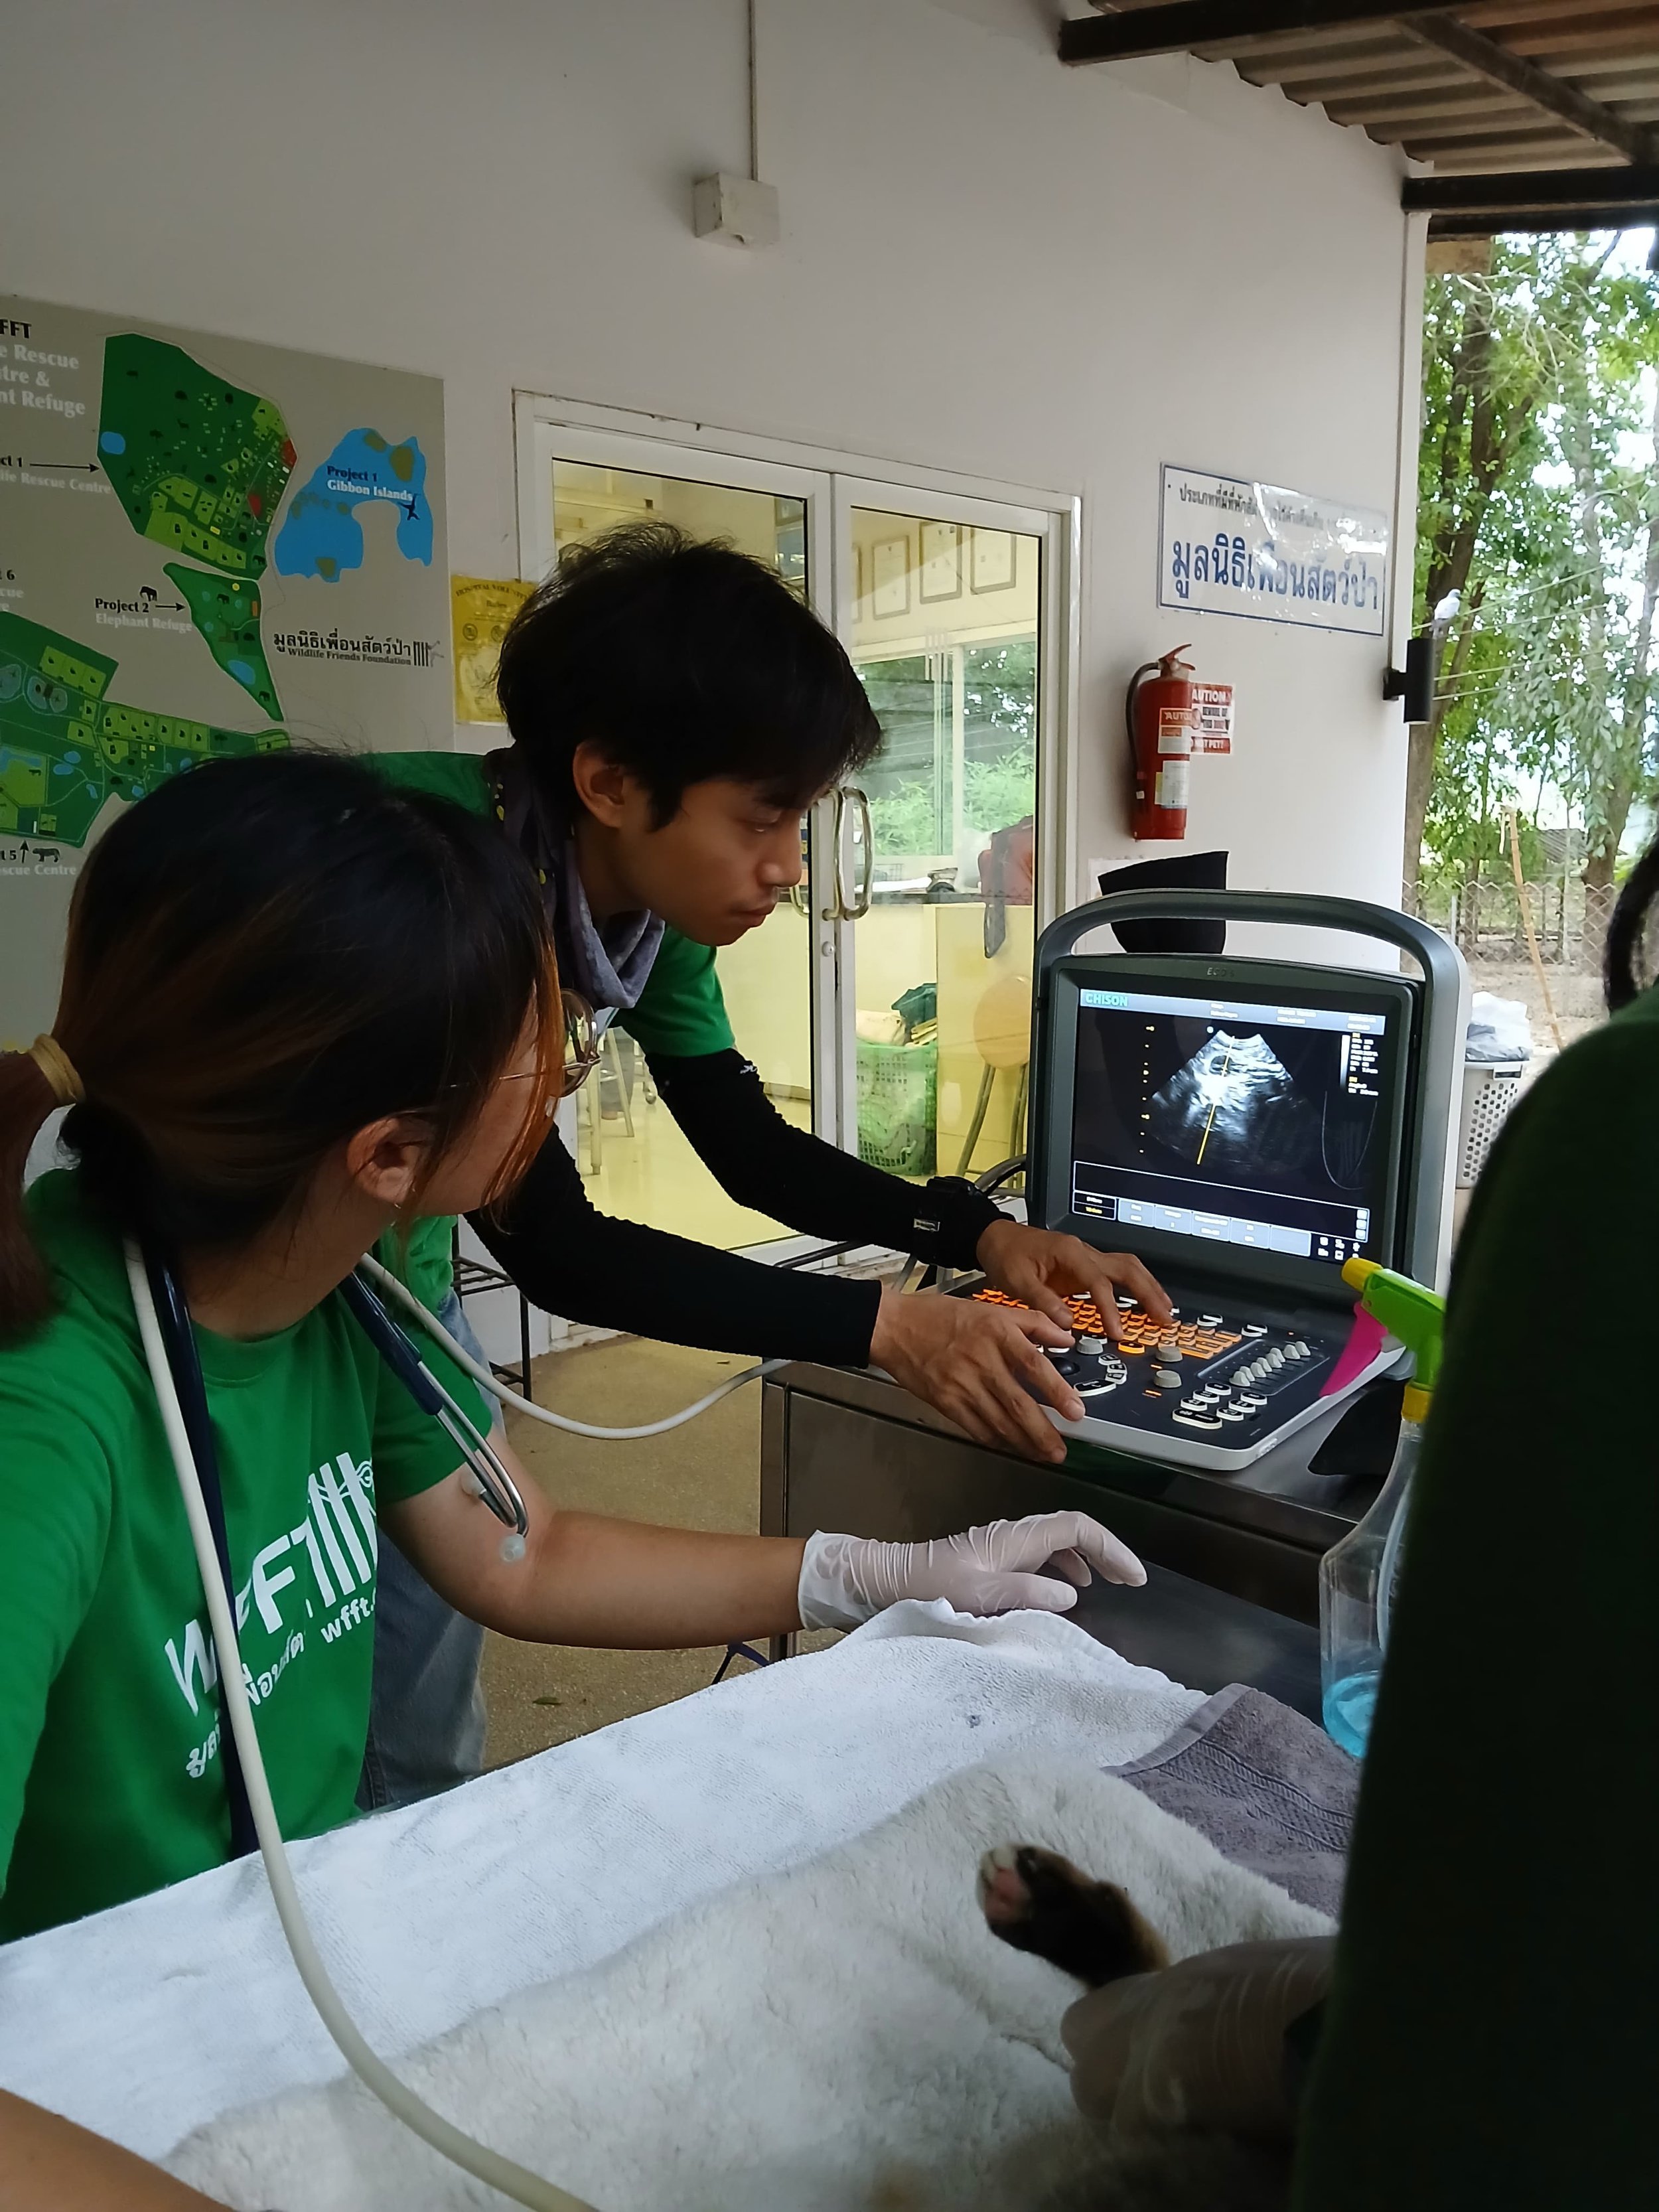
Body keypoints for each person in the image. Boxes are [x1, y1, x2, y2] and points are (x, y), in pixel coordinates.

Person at [0, 753, 1145, 2207]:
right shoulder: (47, 1408)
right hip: (89, 2067)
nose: (570, 1071)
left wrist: (876, 1573)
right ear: (387, 1148)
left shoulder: (334, 1277)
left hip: (277, 1970)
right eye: (541, 1050)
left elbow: (520, 1553)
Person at [370, 521, 1171, 1805]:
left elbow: (744, 1149)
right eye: (764, 817)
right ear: (610, 782)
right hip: (266, 1288)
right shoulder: (411, 890)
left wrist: (971, 1235)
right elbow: (554, 1239)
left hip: (384, 1301)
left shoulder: (637, 909)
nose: (790, 869)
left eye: (805, 818)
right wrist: (883, 1328)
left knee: (414, 1680)